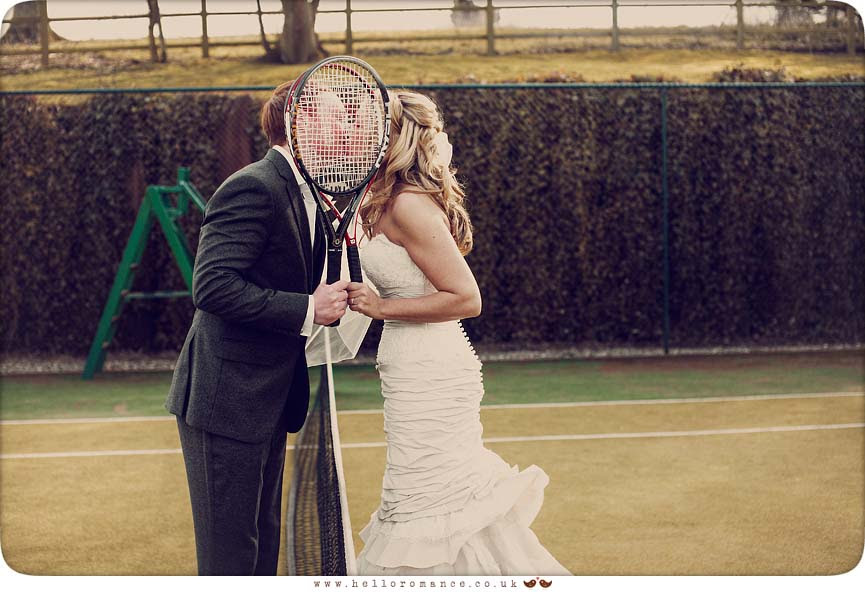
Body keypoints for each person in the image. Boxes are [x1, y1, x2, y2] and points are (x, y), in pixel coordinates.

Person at [345, 90, 571, 576]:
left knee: (434, 499)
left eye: (368, 125)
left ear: (395, 136)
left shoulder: (409, 205)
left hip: (434, 368)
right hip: (404, 365)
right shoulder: (378, 200)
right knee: (418, 497)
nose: (358, 134)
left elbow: (467, 299)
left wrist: (382, 307)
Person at [163, 80, 350, 576]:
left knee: (264, 548)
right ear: (301, 118)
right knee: (231, 559)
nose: (349, 130)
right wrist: (308, 309)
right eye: (338, 117)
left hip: (267, 398)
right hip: (226, 402)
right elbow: (213, 287)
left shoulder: (306, 191)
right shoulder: (254, 185)